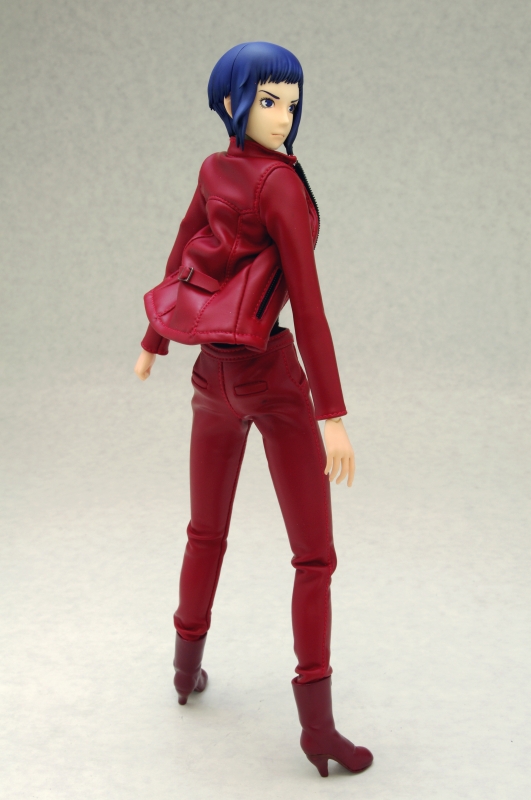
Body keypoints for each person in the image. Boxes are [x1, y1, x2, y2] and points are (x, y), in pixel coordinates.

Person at [134, 41, 373, 778]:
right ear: (233, 101)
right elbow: (308, 301)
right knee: (313, 556)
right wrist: (331, 413)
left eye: (291, 104)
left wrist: (154, 339)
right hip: (268, 375)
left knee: (205, 530)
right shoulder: (282, 186)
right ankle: (317, 728)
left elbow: (181, 256)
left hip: (211, 372)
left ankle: (184, 671)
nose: (283, 117)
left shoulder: (215, 169)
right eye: (268, 100)